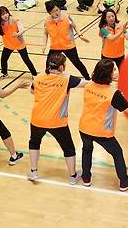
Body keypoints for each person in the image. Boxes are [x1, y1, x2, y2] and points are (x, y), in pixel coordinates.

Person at [79, 59, 128, 190]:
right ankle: (124, 181)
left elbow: (101, 96)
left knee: (87, 151)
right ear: (108, 74)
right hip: (101, 131)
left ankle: (86, 178)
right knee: (117, 153)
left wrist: (117, 96)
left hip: (84, 127)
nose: (117, 71)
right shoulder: (113, 94)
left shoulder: (89, 86)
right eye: (114, 69)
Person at [27, 52, 89, 183]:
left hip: (37, 119)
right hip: (57, 122)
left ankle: (33, 171)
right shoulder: (67, 79)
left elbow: (32, 91)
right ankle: (73, 176)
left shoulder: (38, 77)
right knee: (68, 148)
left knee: (34, 142)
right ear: (61, 67)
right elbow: (87, 84)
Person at [0, 6, 38, 79]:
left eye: (6, 13)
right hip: (8, 44)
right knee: (3, 59)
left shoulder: (14, 20)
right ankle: (4, 73)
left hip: (19, 43)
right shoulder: (0, 23)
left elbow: (22, 29)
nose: (5, 15)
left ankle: (34, 74)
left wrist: (17, 34)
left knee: (26, 59)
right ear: (0, 16)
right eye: (3, 14)